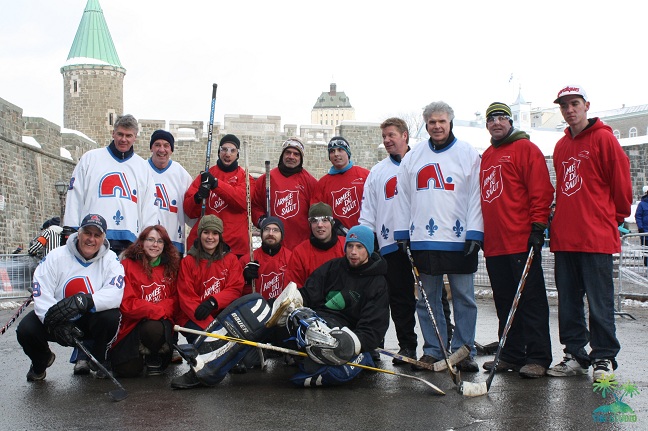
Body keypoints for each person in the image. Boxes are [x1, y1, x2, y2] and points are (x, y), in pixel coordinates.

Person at [547, 85, 632, 381]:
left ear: (586, 105)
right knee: (568, 301)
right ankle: (574, 353)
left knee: (599, 301)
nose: (569, 110)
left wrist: (612, 218)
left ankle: (604, 356)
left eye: (574, 104)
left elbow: (622, 188)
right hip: (565, 237)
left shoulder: (605, 140)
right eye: (564, 106)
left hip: (595, 236)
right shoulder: (561, 145)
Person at [393, 101, 483, 372]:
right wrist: (402, 231)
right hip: (424, 239)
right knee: (426, 299)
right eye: (432, 122)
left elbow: (476, 196)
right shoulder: (414, 156)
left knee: (464, 297)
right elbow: (403, 196)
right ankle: (434, 349)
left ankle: (463, 350)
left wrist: (475, 231)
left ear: (450, 122)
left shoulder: (468, 154)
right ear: (426, 124)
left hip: (458, 239)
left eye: (441, 121)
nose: (437, 126)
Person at [479, 102, 554, 378]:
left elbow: (541, 190)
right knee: (504, 302)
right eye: (491, 119)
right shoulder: (487, 155)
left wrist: (538, 226)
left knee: (530, 301)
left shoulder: (525, 149)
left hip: (520, 240)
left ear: (510, 122)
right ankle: (511, 352)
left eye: (501, 118)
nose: (496, 123)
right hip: (496, 244)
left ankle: (538, 356)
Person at [16, 214, 124, 381]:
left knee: (111, 317)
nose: (91, 239)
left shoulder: (110, 259)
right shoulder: (56, 256)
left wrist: (87, 300)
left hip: (89, 321)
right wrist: (53, 320)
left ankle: (99, 358)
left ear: (103, 238)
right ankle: (41, 361)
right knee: (26, 329)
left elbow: (115, 293)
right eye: (87, 233)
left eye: (97, 235)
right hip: (58, 317)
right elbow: (41, 291)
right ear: (79, 233)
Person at [284, 224, 390, 386]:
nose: (353, 252)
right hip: (316, 321)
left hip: (344, 333)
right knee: (288, 320)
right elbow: (309, 293)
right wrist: (287, 304)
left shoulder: (377, 282)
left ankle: (314, 360)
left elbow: (373, 327)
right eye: (350, 246)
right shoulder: (333, 267)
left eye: (359, 247)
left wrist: (352, 344)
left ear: (368, 250)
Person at [358, 118, 417, 364]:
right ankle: (404, 346)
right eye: (384, 137)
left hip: (421, 240)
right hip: (390, 243)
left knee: (429, 298)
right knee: (396, 296)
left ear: (405, 136)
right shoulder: (378, 171)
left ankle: (438, 346)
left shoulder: (420, 162)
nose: (387, 141)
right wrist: (368, 238)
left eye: (391, 135)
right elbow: (368, 208)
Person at [64, 114, 158, 255]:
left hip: (128, 242)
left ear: (135, 137)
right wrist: (70, 228)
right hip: (92, 238)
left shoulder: (143, 168)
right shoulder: (91, 159)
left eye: (128, 136)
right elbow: (75, 195)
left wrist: (147, 239)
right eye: (120, 134)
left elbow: (149, 206)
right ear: (113, 133)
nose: (123, 139)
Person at [109, 225, 181, 377]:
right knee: (127, 371)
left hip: (159, 323)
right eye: (151, 240)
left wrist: (159, 310)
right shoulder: (127, 265)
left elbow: (175, 299)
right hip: (132, 323)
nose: (155, 245)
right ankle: (135, 354)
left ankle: (153, 354)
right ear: (141, 242)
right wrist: (153, 309)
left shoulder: (171, 267)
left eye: (160, 241)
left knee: (153, 328)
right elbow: (126, 302)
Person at [174, 215, 244, 343]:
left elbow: (235, 289)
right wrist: (213, 327)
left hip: (221, 313)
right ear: (200, 234)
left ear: (220, 236)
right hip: (194, 315)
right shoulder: (188, 262)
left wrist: (213, 301)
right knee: (207, 341)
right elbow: (186, 297)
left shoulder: (231, 259)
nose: (210, 237)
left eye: (215, 233)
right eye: (206, 232)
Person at [183, 134, 253, 258]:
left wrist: (216, 184)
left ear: (238, 154)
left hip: (235, 247)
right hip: (206, 245)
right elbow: (189, 211)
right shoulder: (205, 176)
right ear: (219, 152)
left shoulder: (245, 178)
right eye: (224, 149)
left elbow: (242, 201)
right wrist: (198, 197)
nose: (228, 154)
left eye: (232, 150)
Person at [251, 137, 318, 250]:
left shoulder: (310, 182)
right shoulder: (266, 179)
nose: (291, 157)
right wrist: (262, 221)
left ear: (301, 158)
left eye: (296, 154)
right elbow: (255, 206)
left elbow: (316, 212)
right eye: (288, 152)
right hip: (273, 245)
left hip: (301, 245)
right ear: (282, 155)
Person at [148, 129, 196, 254]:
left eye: (166, 145)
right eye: (157, 145)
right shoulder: (141, 170)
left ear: (171, 150)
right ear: (151, 147)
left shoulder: (181, 174)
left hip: (173, 242)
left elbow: (191, 209)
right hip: (146, 243)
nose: (162, 150)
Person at [312, 136, 370, 234]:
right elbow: (317, 213)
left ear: (348, 153)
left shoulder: (365, 175)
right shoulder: (322, 183)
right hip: (336, 239)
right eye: (332, 151)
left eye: (340, 150)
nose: (336, 154)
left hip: (363, 234)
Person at [284, 202, 345, 288]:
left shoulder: (346, 246)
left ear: (331, 223)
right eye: (315, 221)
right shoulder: (300, 252)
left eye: (324, 220)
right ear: (310, 225)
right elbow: (292, 287)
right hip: (310, 300)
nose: (320, 225)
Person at [239, 216, 292, 301]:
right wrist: (245, 280)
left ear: (282, 235)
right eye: (267, 229)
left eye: (275, 230)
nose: (270, 233)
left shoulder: (291, 258)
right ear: (261, 233)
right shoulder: (247, 260)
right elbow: (237, 292)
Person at [634, 186, 648, 266]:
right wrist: (640, 228)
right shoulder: (642, 204)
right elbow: (638, 216)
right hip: (645, 233)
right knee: (646, 252)